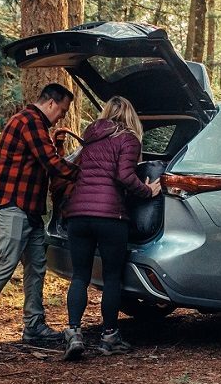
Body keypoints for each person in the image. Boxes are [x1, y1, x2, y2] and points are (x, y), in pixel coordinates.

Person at [0, 83, 79, 344]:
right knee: (7, 260)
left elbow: (47, 162)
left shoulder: (36, 125)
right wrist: (89, 173)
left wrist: (59, 146)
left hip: (30, 208)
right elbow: (51, 164)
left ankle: (34, 326)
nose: (62, 116)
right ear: (50, 103)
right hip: (10, 204)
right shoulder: (29, 121)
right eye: (62, 110)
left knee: (37, 265)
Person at [60, 96, 161, 360]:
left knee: (80, 276)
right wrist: (148, 191)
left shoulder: (90, 138)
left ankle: (73, 333)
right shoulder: (128, 139)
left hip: (78, 214)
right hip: (109, 216)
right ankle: (109, 336)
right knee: (112, 277)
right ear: (130, 117)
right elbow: (124, 176)